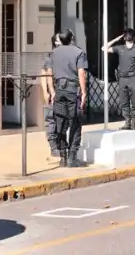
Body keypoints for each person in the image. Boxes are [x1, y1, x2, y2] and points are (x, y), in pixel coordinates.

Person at [50, 29, 89, 168]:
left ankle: (63, 157)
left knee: (60, 122)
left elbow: (49, 71)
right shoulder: (79, 52)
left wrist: (52, 90)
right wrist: (84, 92)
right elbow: (81, 73)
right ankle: (72, 157)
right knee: (75, 122)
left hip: (59, 89)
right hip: (73, 90)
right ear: (72, 38)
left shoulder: (54, 52)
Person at [103, 29, 135, 130]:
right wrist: (117, 39)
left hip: (133, 78)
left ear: (133, 37)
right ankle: (127, 123)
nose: (128, 37)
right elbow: (104, 48)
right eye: (126, 36)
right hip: (122, 78)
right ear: (124, 37)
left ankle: (133, 124)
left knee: (134, 102)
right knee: (124, 102)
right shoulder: (120, 48)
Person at [40, 34, 60, 159]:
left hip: (62, 92)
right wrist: (47, 92)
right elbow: (45, 74)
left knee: (60, 121)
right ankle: (53, 148)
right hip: (53, 94)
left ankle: (58, 147)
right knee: (51, 120)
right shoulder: (50, 57)